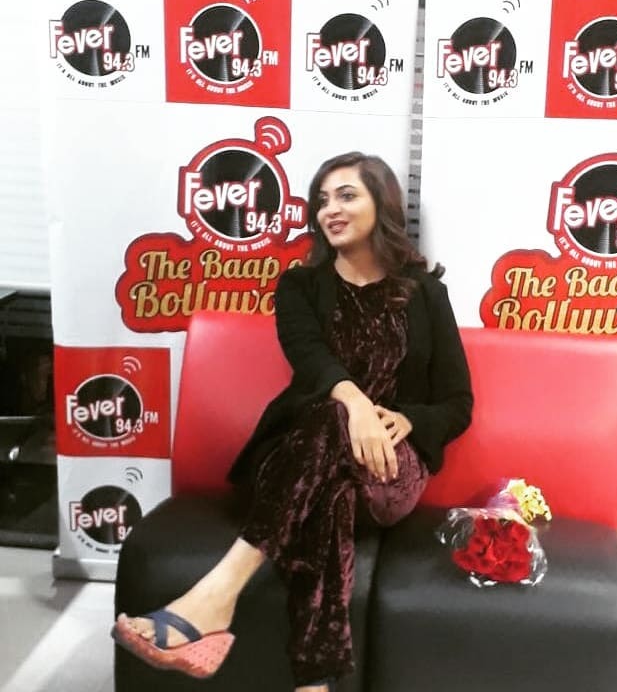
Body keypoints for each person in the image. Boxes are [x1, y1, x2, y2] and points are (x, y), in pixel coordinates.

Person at [111, 152, 473, 691]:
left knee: (338, 462)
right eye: (322, 200)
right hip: (299, 459)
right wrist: (354, 405)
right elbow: (312, 361)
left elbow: (458, 402)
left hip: (388, 470)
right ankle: (312, 684)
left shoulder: (425, 293)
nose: (331, 210)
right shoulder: (300, 287)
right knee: (331, 486)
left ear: (382, 203)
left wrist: (406, 420)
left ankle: (214, 599)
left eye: (347, 195)